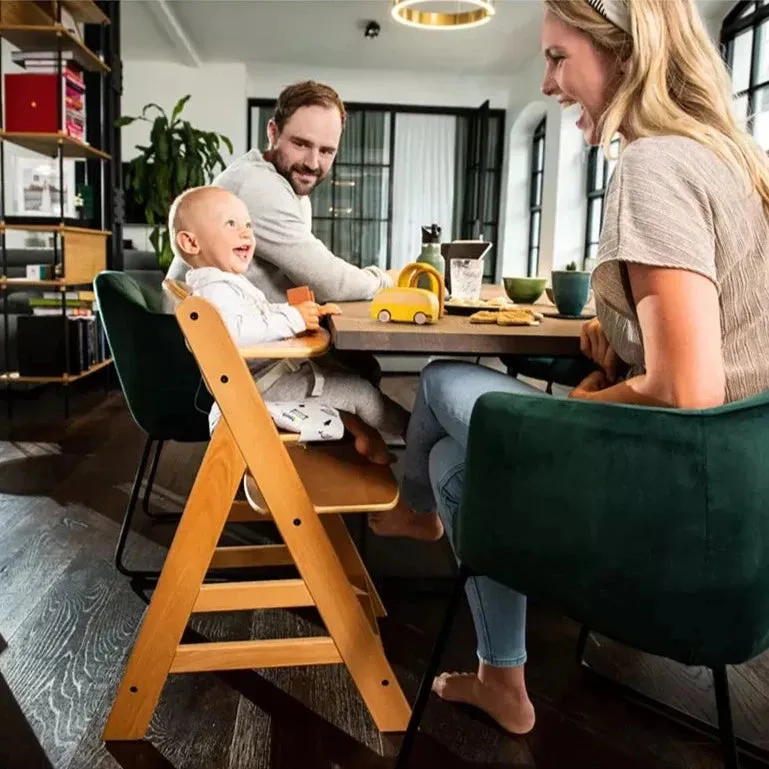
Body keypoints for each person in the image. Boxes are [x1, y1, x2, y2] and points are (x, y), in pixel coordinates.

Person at [398, 0, 769, 735]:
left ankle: (408, 514)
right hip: (739, 515)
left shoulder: (653, 162)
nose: (546, 82)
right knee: (452, 461)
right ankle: (501, 677)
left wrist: (608, 391)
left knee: (441, 378)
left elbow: (683, 387)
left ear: (624, 57)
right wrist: (625, 339)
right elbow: (724, 339)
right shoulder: (730, 159)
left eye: (558, 58)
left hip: (670, 515)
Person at [169, 185, 443, 541]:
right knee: (361, 393)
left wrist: (299, 312)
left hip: (263, 383)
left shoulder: (223, 283)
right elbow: (236, 332)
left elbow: (259, 314)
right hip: (264, 391)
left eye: (249, 224)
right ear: (192, 243)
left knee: (345, 375)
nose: (246, 232)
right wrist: (295, 321)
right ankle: (417, 438)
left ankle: (370, 437)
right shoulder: (215, 290)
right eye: (231, 223)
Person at [166, 80, 394, 305]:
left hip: (236, 328)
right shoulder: (256, 185)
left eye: (326, 151)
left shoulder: (291, 187)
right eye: (301, 144)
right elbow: (329, 282)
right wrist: (386, 280)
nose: (313, 163)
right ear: (273, 133)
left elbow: (306, 277)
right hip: (203, 337)